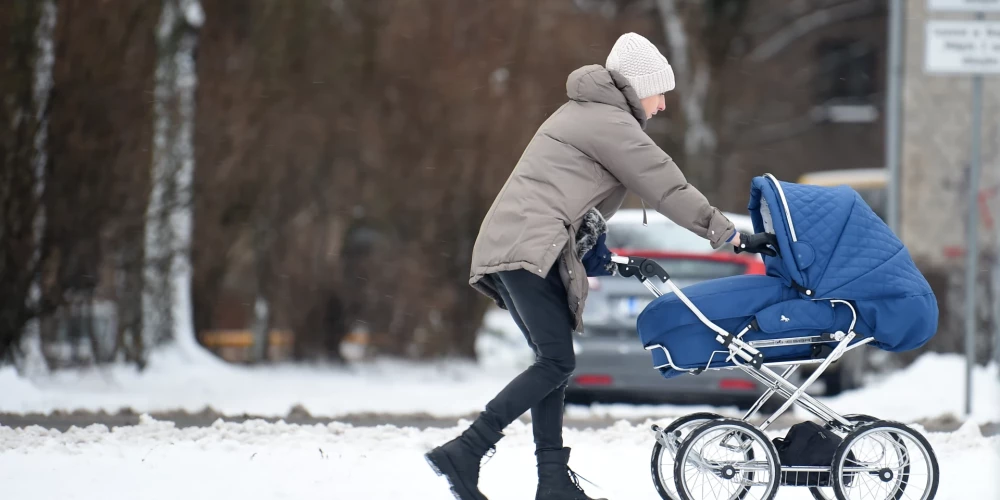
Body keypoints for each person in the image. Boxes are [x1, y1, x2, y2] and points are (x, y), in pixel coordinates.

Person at [424, 32, 777, 500]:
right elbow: (666, 186)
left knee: (553, 365)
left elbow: (574, 208)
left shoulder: (589, 115)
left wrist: (612, 261)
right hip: (527, 250)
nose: (664, 104)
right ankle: (467, 449)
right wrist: (731, 234)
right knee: (556, 361)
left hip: (523, 247)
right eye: (660, 91)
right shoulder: (608, 122)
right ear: (636, 86)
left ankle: (551, 481)